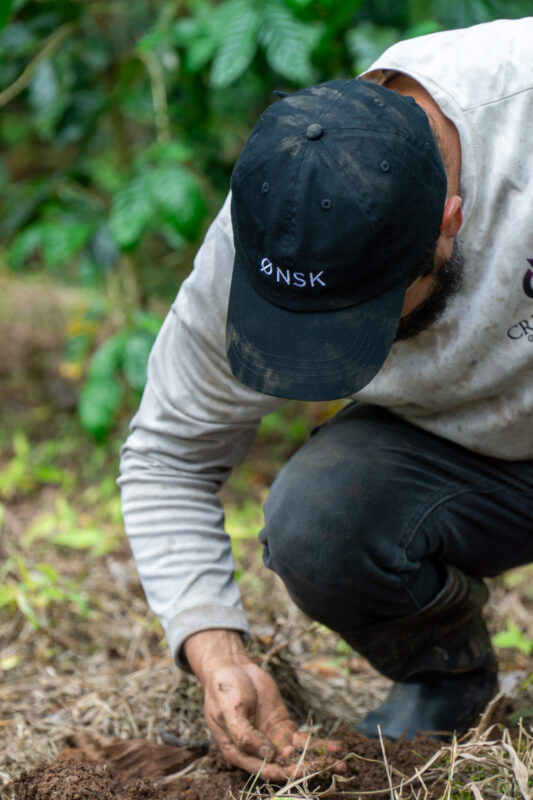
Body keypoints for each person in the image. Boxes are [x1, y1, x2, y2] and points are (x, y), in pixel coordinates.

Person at [119, 17, 533, 778]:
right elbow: (167, 456)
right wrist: (216, 652)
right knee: (320, 519)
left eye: (370, 314)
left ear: (450, 220)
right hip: (473, 467)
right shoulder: (273, 228)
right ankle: (447, 685)